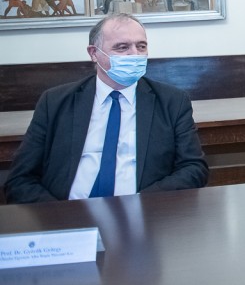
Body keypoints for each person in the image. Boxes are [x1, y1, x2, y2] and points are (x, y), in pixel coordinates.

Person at [4, 13, 209, 203]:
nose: (134, 54)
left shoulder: (172, 101)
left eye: (141, 46)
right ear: (94, 53)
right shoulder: (55, 102)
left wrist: (142, 204)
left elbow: (193, 169)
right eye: (122, 47)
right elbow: (20, 179)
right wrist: (58, 217)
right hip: (67, 213)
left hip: (143, 213)